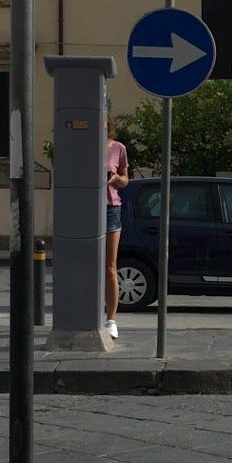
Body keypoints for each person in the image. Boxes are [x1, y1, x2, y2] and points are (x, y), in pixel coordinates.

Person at [104, 119, 129, 339]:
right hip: (86, 210)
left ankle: (111, 320)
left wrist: (115, 179)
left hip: (111, 209)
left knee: (110, 267)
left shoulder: (118, 148)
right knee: (87, 266)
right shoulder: (85, 146)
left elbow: (125, 179)